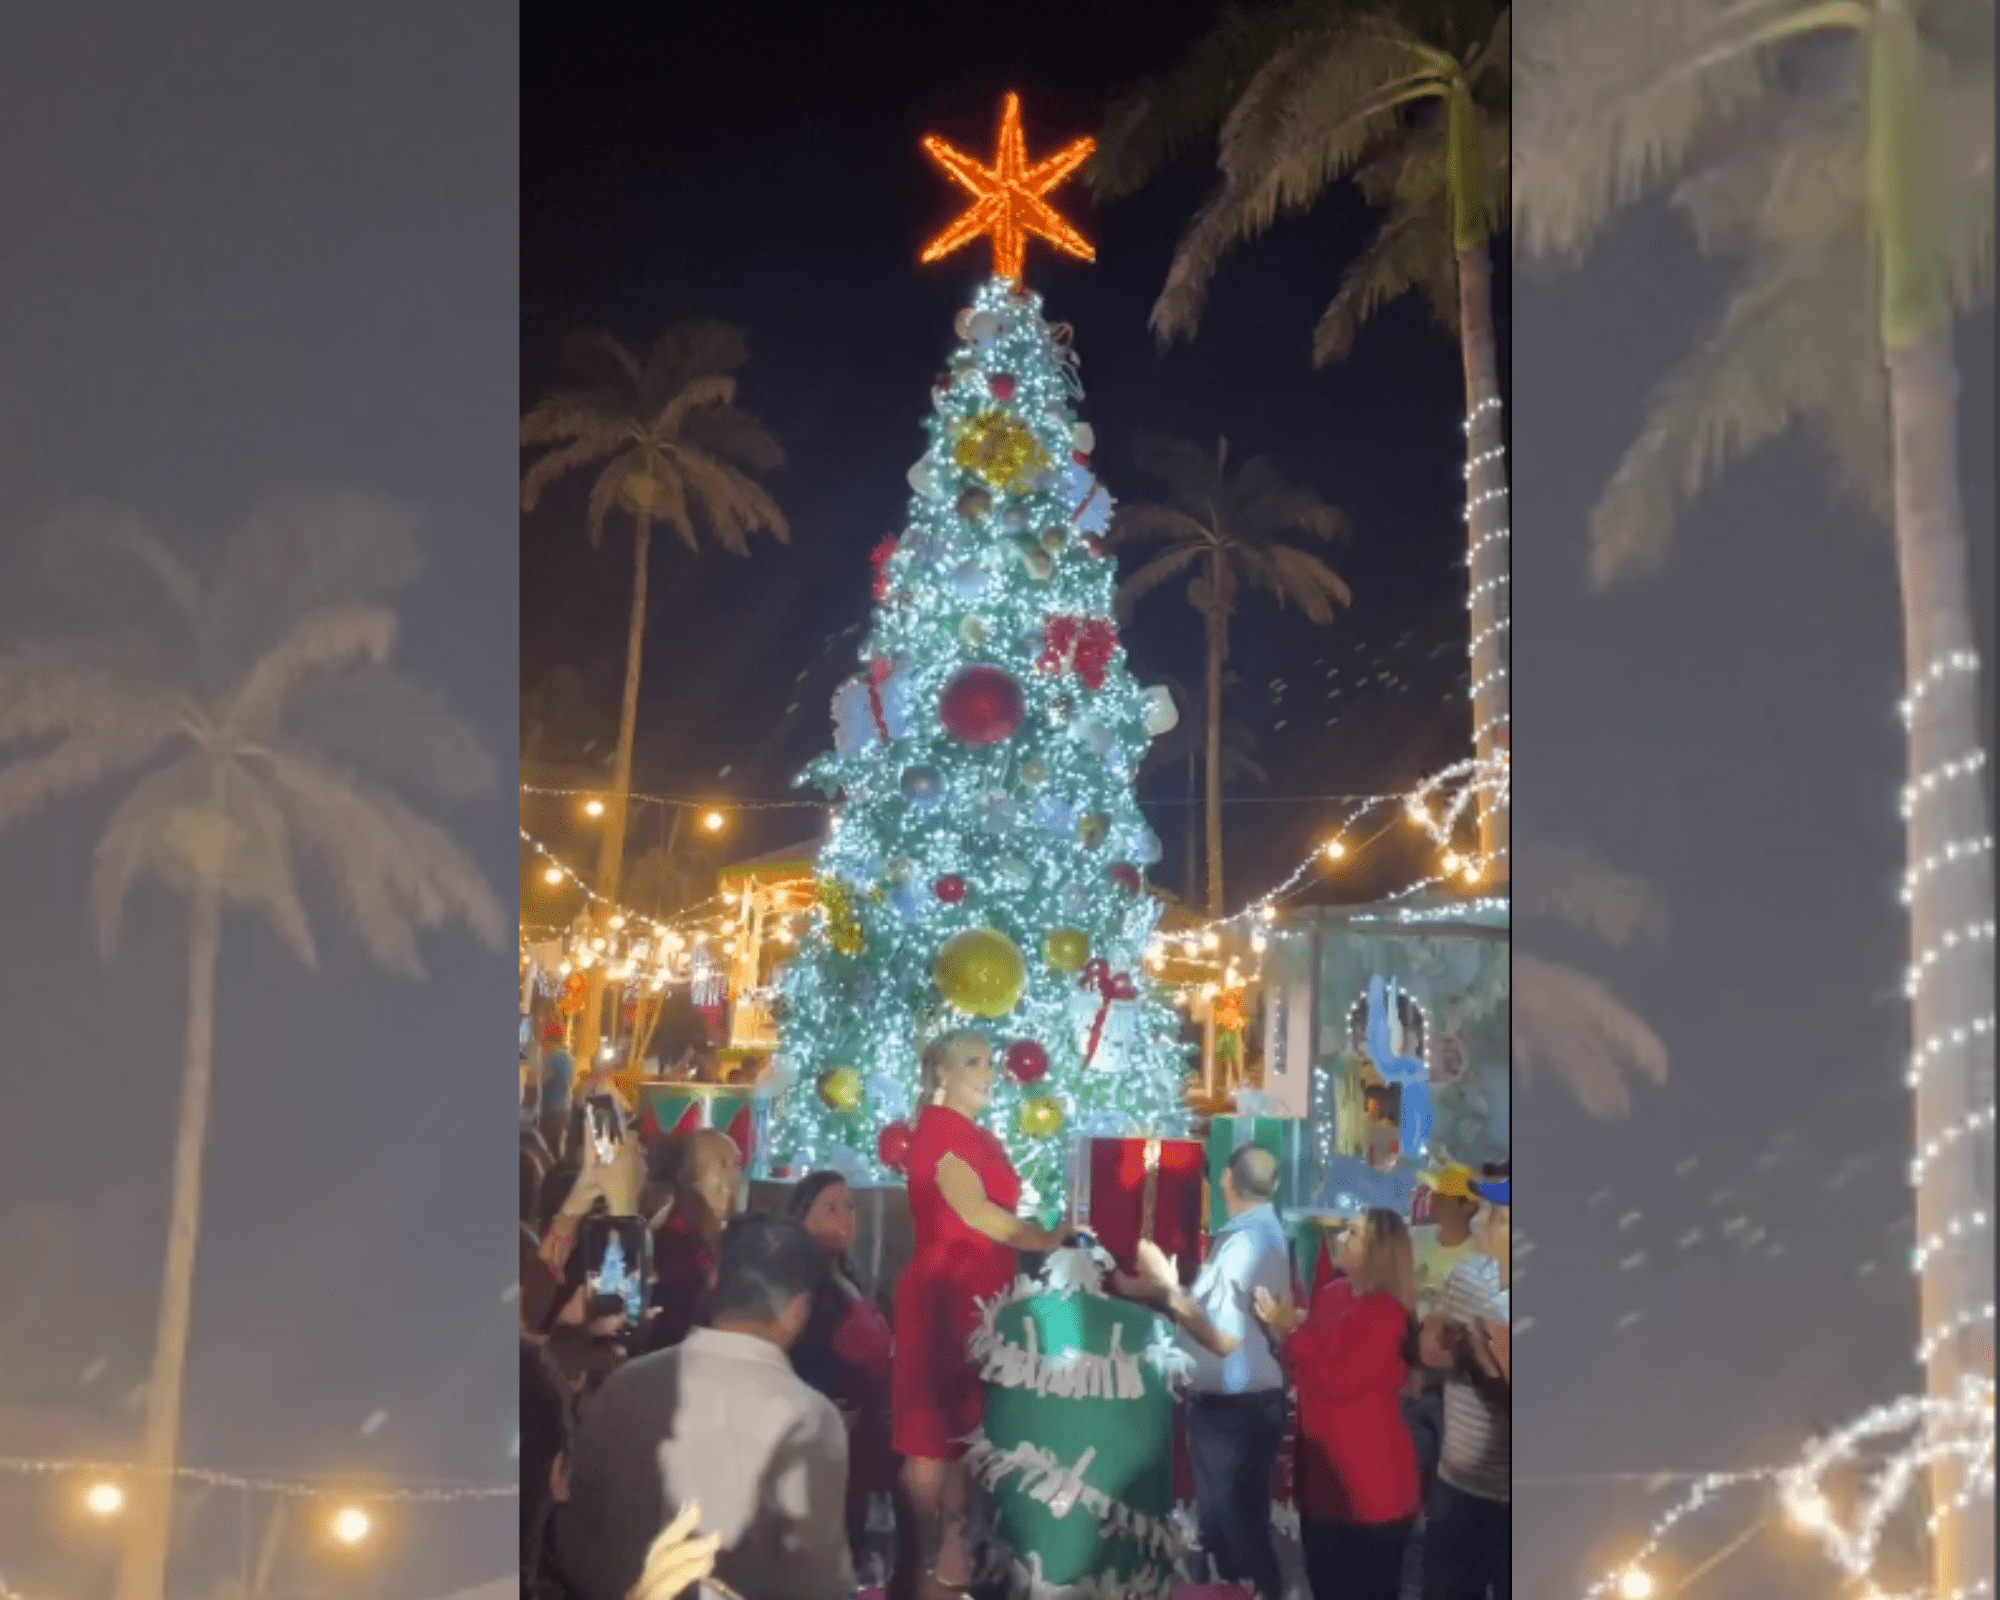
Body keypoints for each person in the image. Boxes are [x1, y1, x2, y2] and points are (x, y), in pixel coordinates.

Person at [556, 1213, 853, 1600]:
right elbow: (820, 1584)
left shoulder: (624, 1385)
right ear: (798, 1311)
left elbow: (575, 1546)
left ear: (714, 1282)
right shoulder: (810, 1418)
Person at [894, 1031, 1064, 1593]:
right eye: (972, 1063)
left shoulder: (976, 1135)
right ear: (941, 1073)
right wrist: (1044, 1240)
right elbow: (978, 1214)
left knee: (965, 1437)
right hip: (945, 1298)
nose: (988, 1073)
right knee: (931, 1439)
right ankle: (923, 1558)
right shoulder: (939, 1134)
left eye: (989, 1063)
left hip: (981, 1301)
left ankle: (954, 1555)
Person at [1121, 1144, 1292, 1600]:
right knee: (1234, 1528)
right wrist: (1143, 1289)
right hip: (1240, 1408)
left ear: (1223, 1183)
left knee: (1234, 1533)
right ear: (1273, 1186)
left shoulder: (1247, 1243)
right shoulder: (1256, 1233)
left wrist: (1166, 1287)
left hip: (1233, 1411)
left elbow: (1222, 1338)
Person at [1255, 1209, 1421, 1600]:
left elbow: (1339, 1380)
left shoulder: (1387, 1312)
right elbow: (1307, 1364)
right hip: (1323, 1481)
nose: (1342, 1237)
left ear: (1379, 1251)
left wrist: (1292, 1329)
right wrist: (1286, 1332)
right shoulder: (1333, 1294)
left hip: (1370, 1491)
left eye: (1354, 1232)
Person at [786, 1171, 898, 1575]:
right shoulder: (801, 1285)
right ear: (802, 1218)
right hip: (831, 1428)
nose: (845, 1217)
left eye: (849, 1207)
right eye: (830, 1208)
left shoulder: (850, 1277)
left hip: (865, 1434)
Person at [1418, 1167, 1510, 1600]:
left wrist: (1472, 1352)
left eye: (1499, 1214)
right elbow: (1431, 1348)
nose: (1484, 1221)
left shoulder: (1479, 1286)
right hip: (1461, 1482)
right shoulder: (1469, 1276)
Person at [1405, 1163, 1483, 1498]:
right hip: (1412, 1365)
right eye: (1432, 1194)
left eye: (1442, 1196)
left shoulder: (1482, 1252)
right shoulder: (1416, 1240)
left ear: (1465, 1205)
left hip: (1455, 1373)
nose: (1432, 1201)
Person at [641, 1127, 742, 1353]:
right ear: (689, 1178)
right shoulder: (672, 1241)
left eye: (736, 1164)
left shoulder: (729, 1236)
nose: (734, 1177)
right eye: (723, 1165)